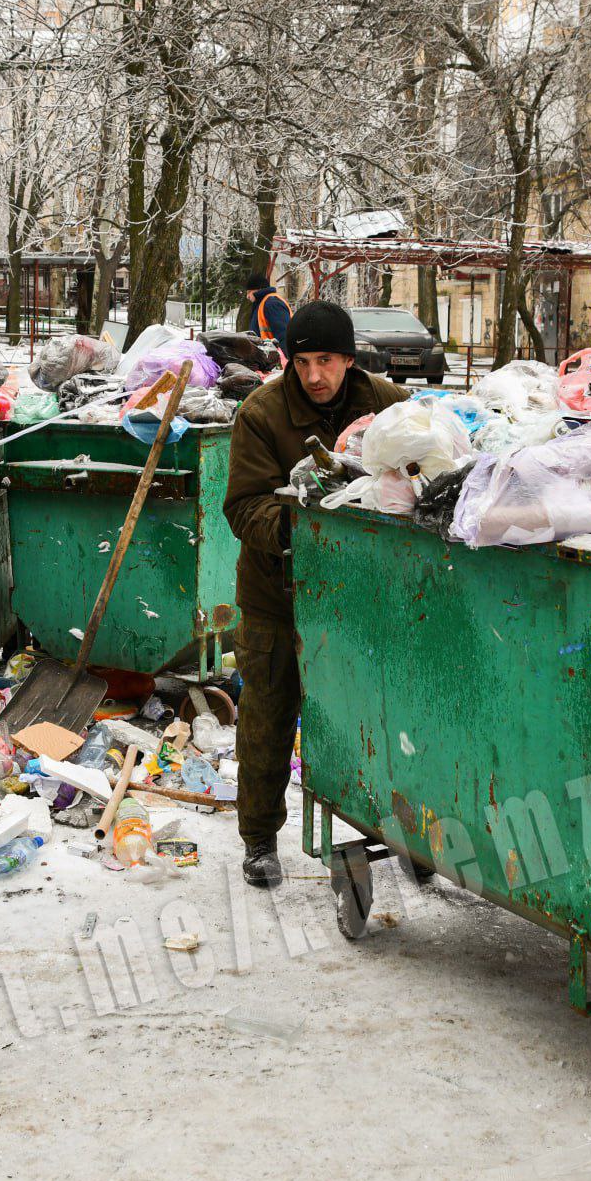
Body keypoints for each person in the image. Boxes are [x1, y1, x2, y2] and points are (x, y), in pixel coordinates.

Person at [224, 301, 407, 887]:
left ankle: (402, 828)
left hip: (363, 602)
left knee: (376, 716)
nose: (313, 376)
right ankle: (259, 839)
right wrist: (304, 528)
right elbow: (243, 506)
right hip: (278, 596)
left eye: (325, 361)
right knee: (267, 716)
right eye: (301, 362)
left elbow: (433, 457)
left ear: (349, 360)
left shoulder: (387, 402)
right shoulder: (261, 412)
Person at [245, 272, 292, 351]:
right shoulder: (263, 304)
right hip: (268, 357)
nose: (247, 296)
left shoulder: (271, 303)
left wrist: (286, 361)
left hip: (275, 358)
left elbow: (284, 336)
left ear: (258, 289)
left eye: (249, 292)